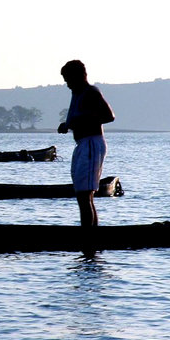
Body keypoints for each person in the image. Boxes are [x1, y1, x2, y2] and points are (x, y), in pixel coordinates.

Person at [58, 60, 115, 229]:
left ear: (80, 76)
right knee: (82, 195)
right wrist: (67, 125)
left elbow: (109, 116)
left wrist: (80, 122)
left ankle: (88, 237)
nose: (67, 84)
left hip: (92, 143)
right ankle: (89, 232)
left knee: (85, 195)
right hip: (82, 145)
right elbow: (77, 119)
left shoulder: (91, 92)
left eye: (69, 80)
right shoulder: (76, 94)